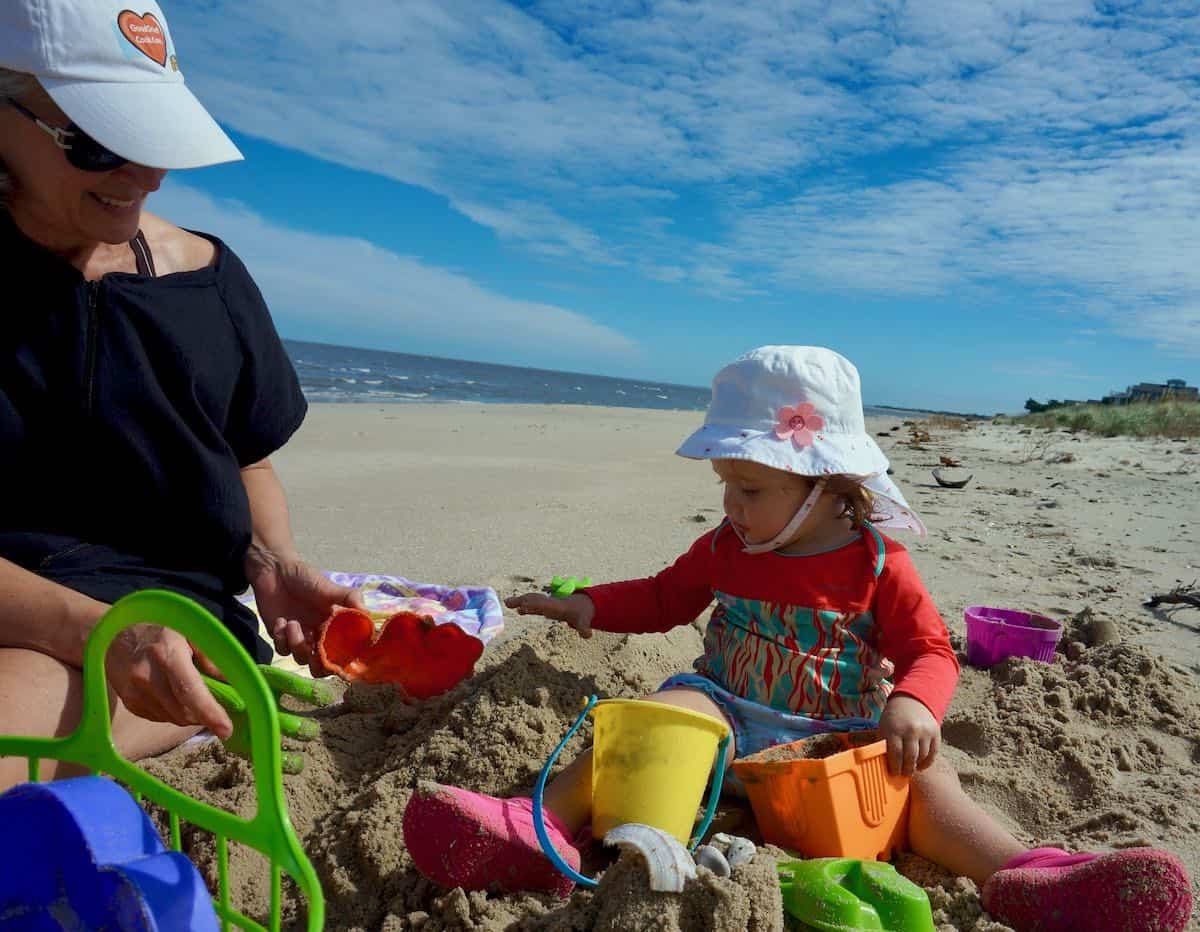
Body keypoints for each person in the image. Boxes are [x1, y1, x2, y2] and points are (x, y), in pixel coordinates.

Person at [403, 346, 1192, 931]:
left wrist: (916, 705)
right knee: (657, 716)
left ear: (826, 488)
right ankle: (536, 830)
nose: (733, 506)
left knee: (927, 780)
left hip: (834, 738)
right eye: (727, 488)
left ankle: (1024, 874)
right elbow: (662, 597)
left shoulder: (880, 564)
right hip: (726, 716)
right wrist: (591, 608)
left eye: (750, 489)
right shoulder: (725, 548)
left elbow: (929, 651)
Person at [0, 0, 361, 791]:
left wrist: (271, 563)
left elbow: (246, 457)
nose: (147, 176)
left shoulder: (209, 281)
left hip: (164, 632)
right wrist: (103, 632)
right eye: (99, 141)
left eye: (156, 139)